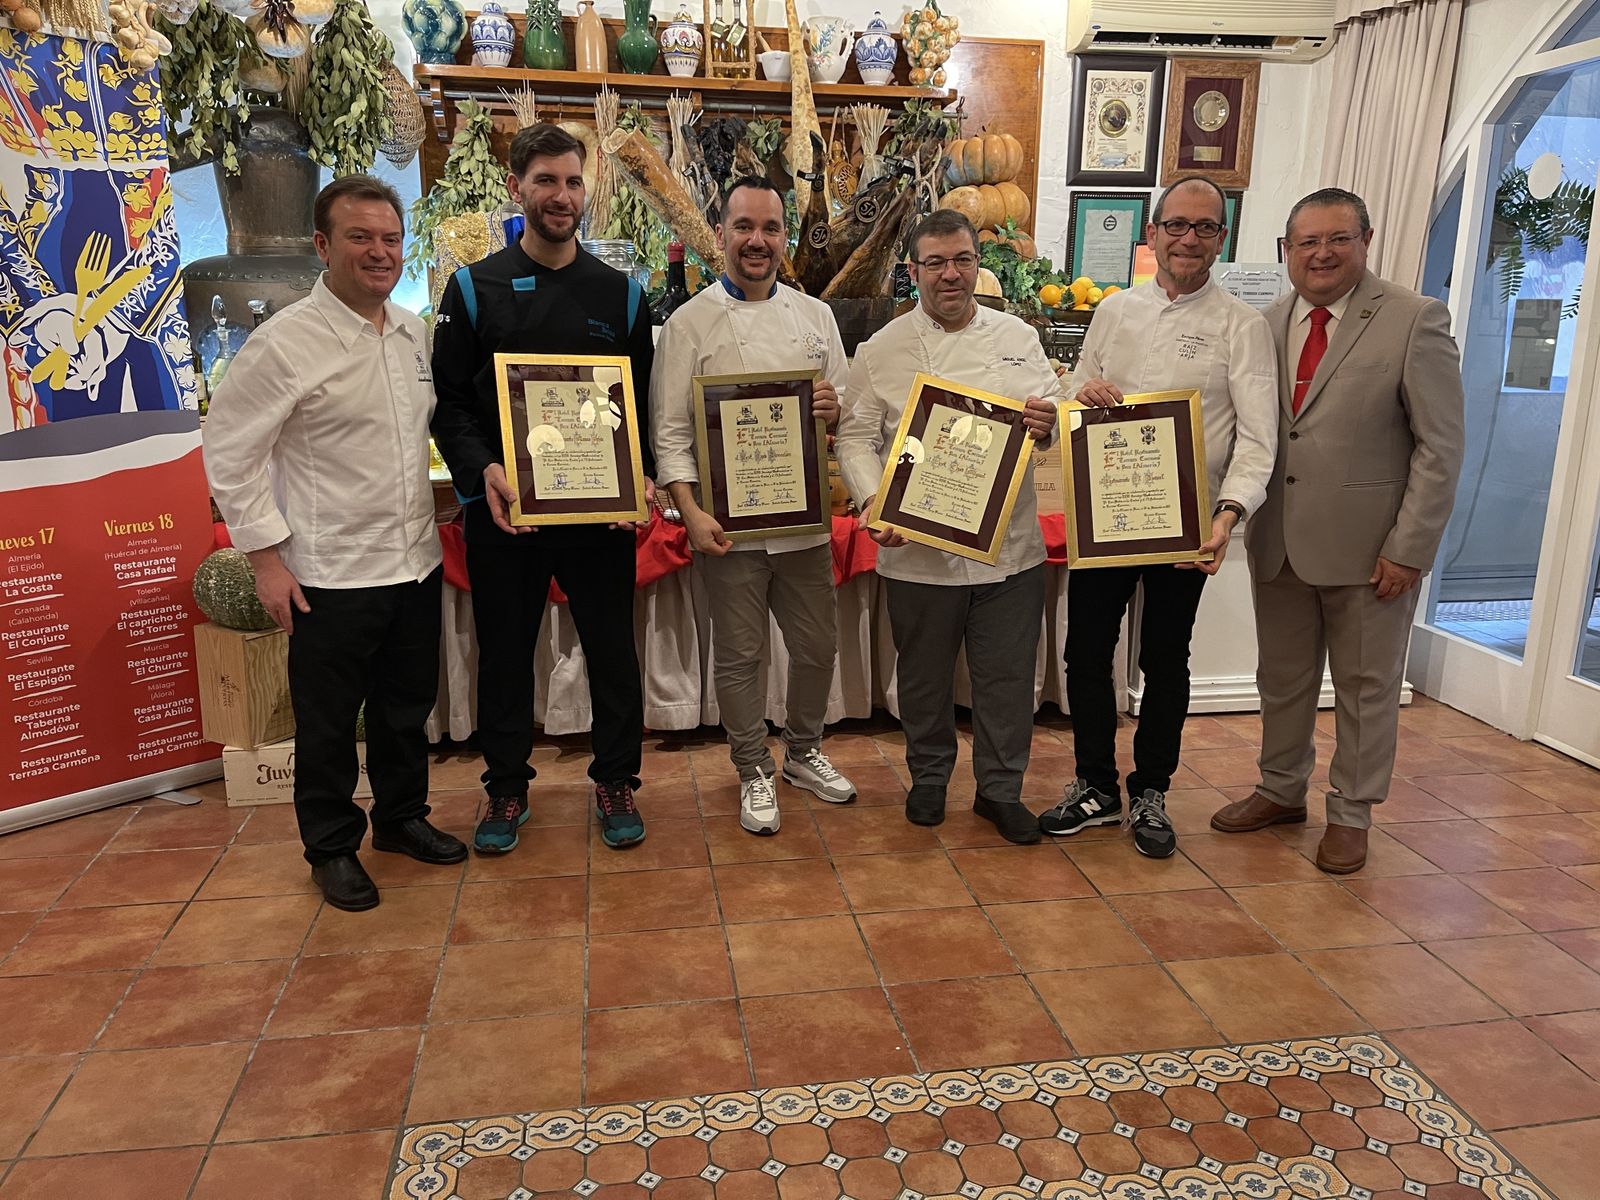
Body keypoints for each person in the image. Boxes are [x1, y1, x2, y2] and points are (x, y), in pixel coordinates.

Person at [204, 175, 464, 911]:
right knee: (326, 724)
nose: (378, 252)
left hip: (412, 561)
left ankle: (402, 818)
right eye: (360, 237)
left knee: (404, 710)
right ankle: (331, 846)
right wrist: (265, 562)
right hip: (329, 573)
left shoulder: (413, 330)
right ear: (323, 246)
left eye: (390, 239)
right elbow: (230, 452)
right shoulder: (284, 344)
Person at [1210, 187, 1465, 873]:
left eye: (1337, 239)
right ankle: (1281, 788)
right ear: (1284, 252)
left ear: (1366, 240)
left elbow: (1440, 448)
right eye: (1306, 243)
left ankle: (1351, 812)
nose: (1321, 253)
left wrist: (1409, 549)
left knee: (1366, 686)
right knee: (1283, 680)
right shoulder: (1262, 324)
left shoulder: (1414, 320)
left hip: (1370, 551)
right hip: (1280, 542)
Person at [430, 123, 655, 855]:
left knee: (613, 651)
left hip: (599, 512)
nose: (561, 196)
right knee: (504, 652)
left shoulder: (621, 298)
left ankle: (616, 777)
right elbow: (451, 405)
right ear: (515, 188)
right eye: (546, 181)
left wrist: (638, 480)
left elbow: (639, 410)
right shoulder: (473, 288)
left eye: (572, 181)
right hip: (508, 512)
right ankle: (504, 788)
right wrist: (482, 472)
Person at [1042, 176, 1278, 858]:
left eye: (1205, 227)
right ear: (1152, 233)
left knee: (1164, 659)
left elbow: (1258, 438)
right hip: (1106, 517)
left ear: (1221, 239)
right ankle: (1093, 785)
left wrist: (1227, 518)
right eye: (1176, 225)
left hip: (1189, 527)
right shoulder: (1115, 311)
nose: (1189, 239)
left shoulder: (1243, 324)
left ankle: (1151, 790)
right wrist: (1078, 391)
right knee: (1086, 651)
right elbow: (1071, 396)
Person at [836, 209, 1060, 844]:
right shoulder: (881, 350)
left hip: (1008, 552)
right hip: (918, 554)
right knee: (924, 677)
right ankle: (929, 778)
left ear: (976, 264)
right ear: (914, 272)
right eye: (935, 263)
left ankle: (1000, 790)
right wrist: (875, 497)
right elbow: (854, 436)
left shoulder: (1018, 336)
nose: (951, 274)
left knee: (1007, 679)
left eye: (962, 259)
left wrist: (1048, 422)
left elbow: (1051, 410)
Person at [650, 177, 856, 835]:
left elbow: (845, 407)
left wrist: (832, 406)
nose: (757, 240)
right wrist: (690, 509)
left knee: (818, 647)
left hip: (803, 525)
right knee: (740, 657)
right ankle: (753, 770)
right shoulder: (690, 323)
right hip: (727, 527)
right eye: (744, 227)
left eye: (770, 228)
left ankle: (802, 752)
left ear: (783, 237)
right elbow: (671, 434)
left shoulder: (814, 316)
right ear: (722, 235)